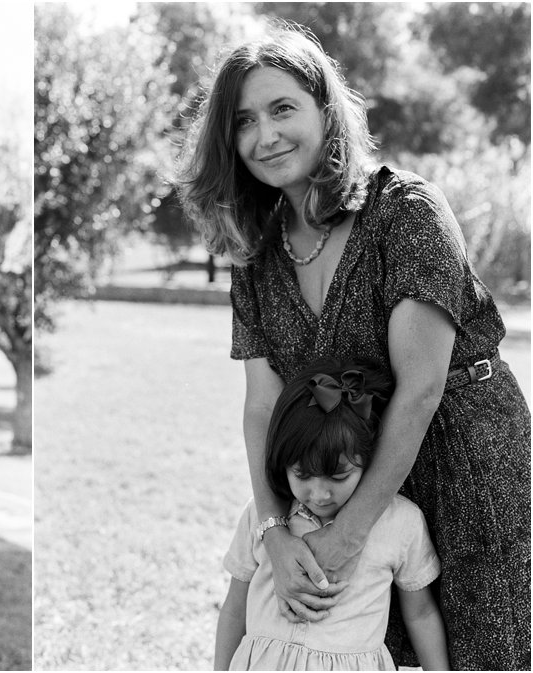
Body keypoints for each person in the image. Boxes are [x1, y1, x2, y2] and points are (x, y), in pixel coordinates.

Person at [174, 24, 531, 671]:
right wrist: (272, 528)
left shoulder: (405, 211)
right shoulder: (254, 258)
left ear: (324, 108)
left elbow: (420, 387)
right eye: (244, 120)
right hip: (348, 464)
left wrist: (350, 531)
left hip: (461, 454)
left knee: (492, 650)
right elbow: (262, 405)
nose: (265, 135)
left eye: (283, 108)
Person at [215, 357, 448, 671]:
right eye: (302, 475)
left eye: (339, 478)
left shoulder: (400, 522)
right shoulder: (263, 515)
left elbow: (420, 614)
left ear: (368, 460)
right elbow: (233, 608)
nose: (320, 494)